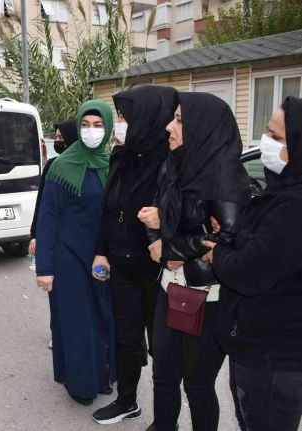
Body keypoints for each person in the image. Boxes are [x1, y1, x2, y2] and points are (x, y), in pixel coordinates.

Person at [138, 92, 250, 431]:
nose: (169, 127)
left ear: (203, 126)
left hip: (207, 299)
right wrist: (157, 240)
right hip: (168, 290)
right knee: (163, 376)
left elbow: (227, 243)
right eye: (173, 118)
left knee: (198, 386)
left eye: (180, 120)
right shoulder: (174, 163)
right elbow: (152, 213)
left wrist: (170, 246)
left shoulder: (227, 178)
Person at [205, 96, 302, 431]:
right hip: (261, 350)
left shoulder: (294, 206)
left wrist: (216, 253)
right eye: (267, 132)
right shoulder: (280, 193)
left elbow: (248, 271)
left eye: (276, 138)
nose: (266, 143)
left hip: (273, 358)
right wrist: (236, 239)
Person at [91, 86, 177, 425]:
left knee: (163, 349)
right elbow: (108, 212)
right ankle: (127, 401)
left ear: (149, 119)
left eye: (127, 117)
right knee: (126, 339)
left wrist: (164, 218)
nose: (121, 124)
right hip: (121, 265)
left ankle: (165, 418)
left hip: (156, 271)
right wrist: (101, 252)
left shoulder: (172, 163)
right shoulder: (122, 157)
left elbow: (190, 217)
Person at [35, 100, 116, 406]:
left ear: (107, 128)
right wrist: (44, 268)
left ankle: (103, 374)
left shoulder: (112, 164)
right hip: (67, 258)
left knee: (104, 317)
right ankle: (81, 383)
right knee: (76, 322)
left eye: (97, 125)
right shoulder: (61, 166)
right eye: (85, 125)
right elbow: (48, 218)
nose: (91, 131)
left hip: (103, 256)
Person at [29, 120, 78, 255]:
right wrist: (35, 234)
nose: (57, 141)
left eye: (61, 138)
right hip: (56, 233)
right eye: (56, 137)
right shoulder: (52, 165)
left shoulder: (87, 165)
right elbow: (42, 201)